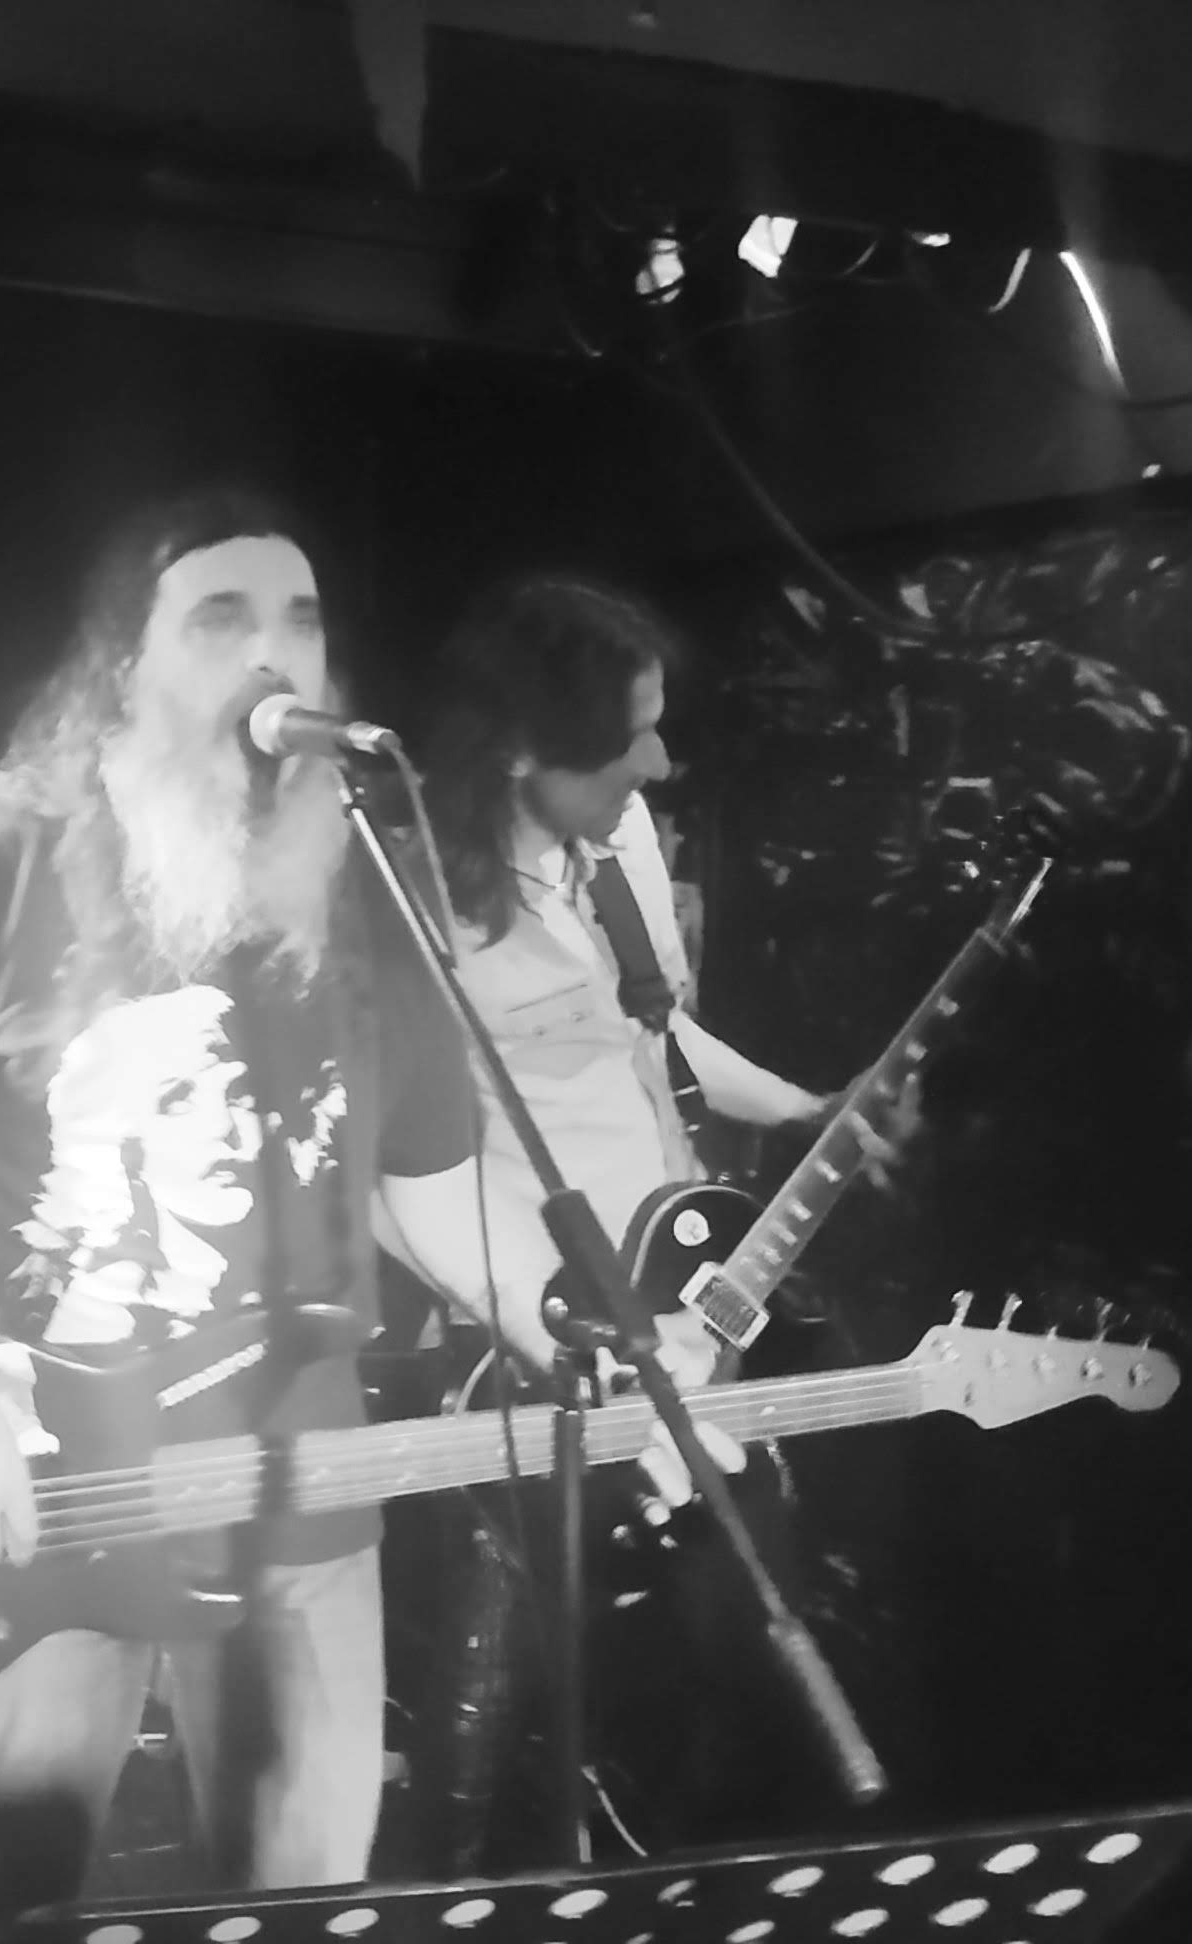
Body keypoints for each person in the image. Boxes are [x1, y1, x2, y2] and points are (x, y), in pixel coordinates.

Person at [0, 488, 503, 1933]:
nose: (273, 653)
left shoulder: (365, 890)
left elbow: (433, 1195)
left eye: (301, 619)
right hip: (40, 1504)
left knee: (307, 1903)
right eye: (221, 617)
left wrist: (605, 1332)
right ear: (124, 668)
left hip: (298, 1504)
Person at [375, 572, 904, 1866]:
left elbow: (656, 1036)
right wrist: (559, 1327)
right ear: (520, 748)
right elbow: (395, 1180)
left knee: (735, 1679)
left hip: (689, 1322)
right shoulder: (414, 905)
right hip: (537, 1354)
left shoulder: (622, 849)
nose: (659, 763)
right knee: (485, 1750)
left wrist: (804, 1106)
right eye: (628, 738)